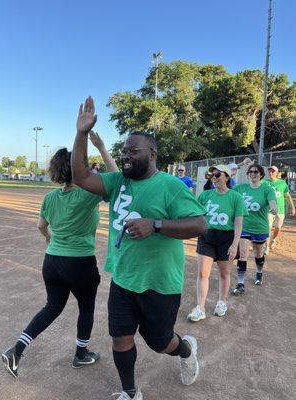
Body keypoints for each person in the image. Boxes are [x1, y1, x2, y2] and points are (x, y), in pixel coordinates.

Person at [72, 96, 208, 400]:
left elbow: (200, 224)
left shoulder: (170, 186)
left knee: (160, 342)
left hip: (158, 282)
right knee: (120, 338)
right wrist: (81, 134)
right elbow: (81, 176)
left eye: (134, 151)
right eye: (124, 151)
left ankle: (185, 349)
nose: (126, 156)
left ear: (153, 154)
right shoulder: (119, 181)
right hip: (123, 279)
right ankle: (131, 392)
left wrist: (156, 225)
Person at [1, 134, 118, 379]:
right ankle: (81, 354)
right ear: (77, 167)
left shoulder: (51, 197)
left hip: (52, 261)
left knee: (52, 307)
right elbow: (116, 178)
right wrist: (101, 147)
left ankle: (17, 350)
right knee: (86, 308)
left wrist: (48, 238)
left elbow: (41, 226)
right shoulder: (88, 194)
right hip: (80, 262)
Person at [187, 164, 246, 322]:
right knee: (202, 273)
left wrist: (235, 245)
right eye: (212, 175)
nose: (214, 177)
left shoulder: (236, 197)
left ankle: (222, 302)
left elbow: (238, 224)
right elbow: (194, 213)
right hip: (207, 236)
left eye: (217, 175)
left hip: (227, 238)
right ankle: (200, 308)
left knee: (224, 273)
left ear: (226, 177)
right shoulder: (205, 195)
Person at [232, 164, 277, 293]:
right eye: (250, 172)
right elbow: (228, 193)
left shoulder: (267, 189)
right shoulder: (241, 188)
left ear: (261, 174)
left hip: (260, 228)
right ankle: (240, 284)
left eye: (256, 172)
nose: (253, 174)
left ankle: (259, 271)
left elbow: (272, 201)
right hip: (244, 227)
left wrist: (274, 208)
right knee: (244, 253)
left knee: (258, 253)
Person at [264, 166, 295, 254]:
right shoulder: (265, 182)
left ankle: (273, 239)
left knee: (278, 228)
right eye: (269, 171)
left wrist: (292, 207)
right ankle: (266, 247)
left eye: (273, 171)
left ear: (277, 173)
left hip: (280, 210)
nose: (270, 173)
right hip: (268, 209)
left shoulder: (282, 183)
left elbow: (287, 195)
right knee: (268, 228)